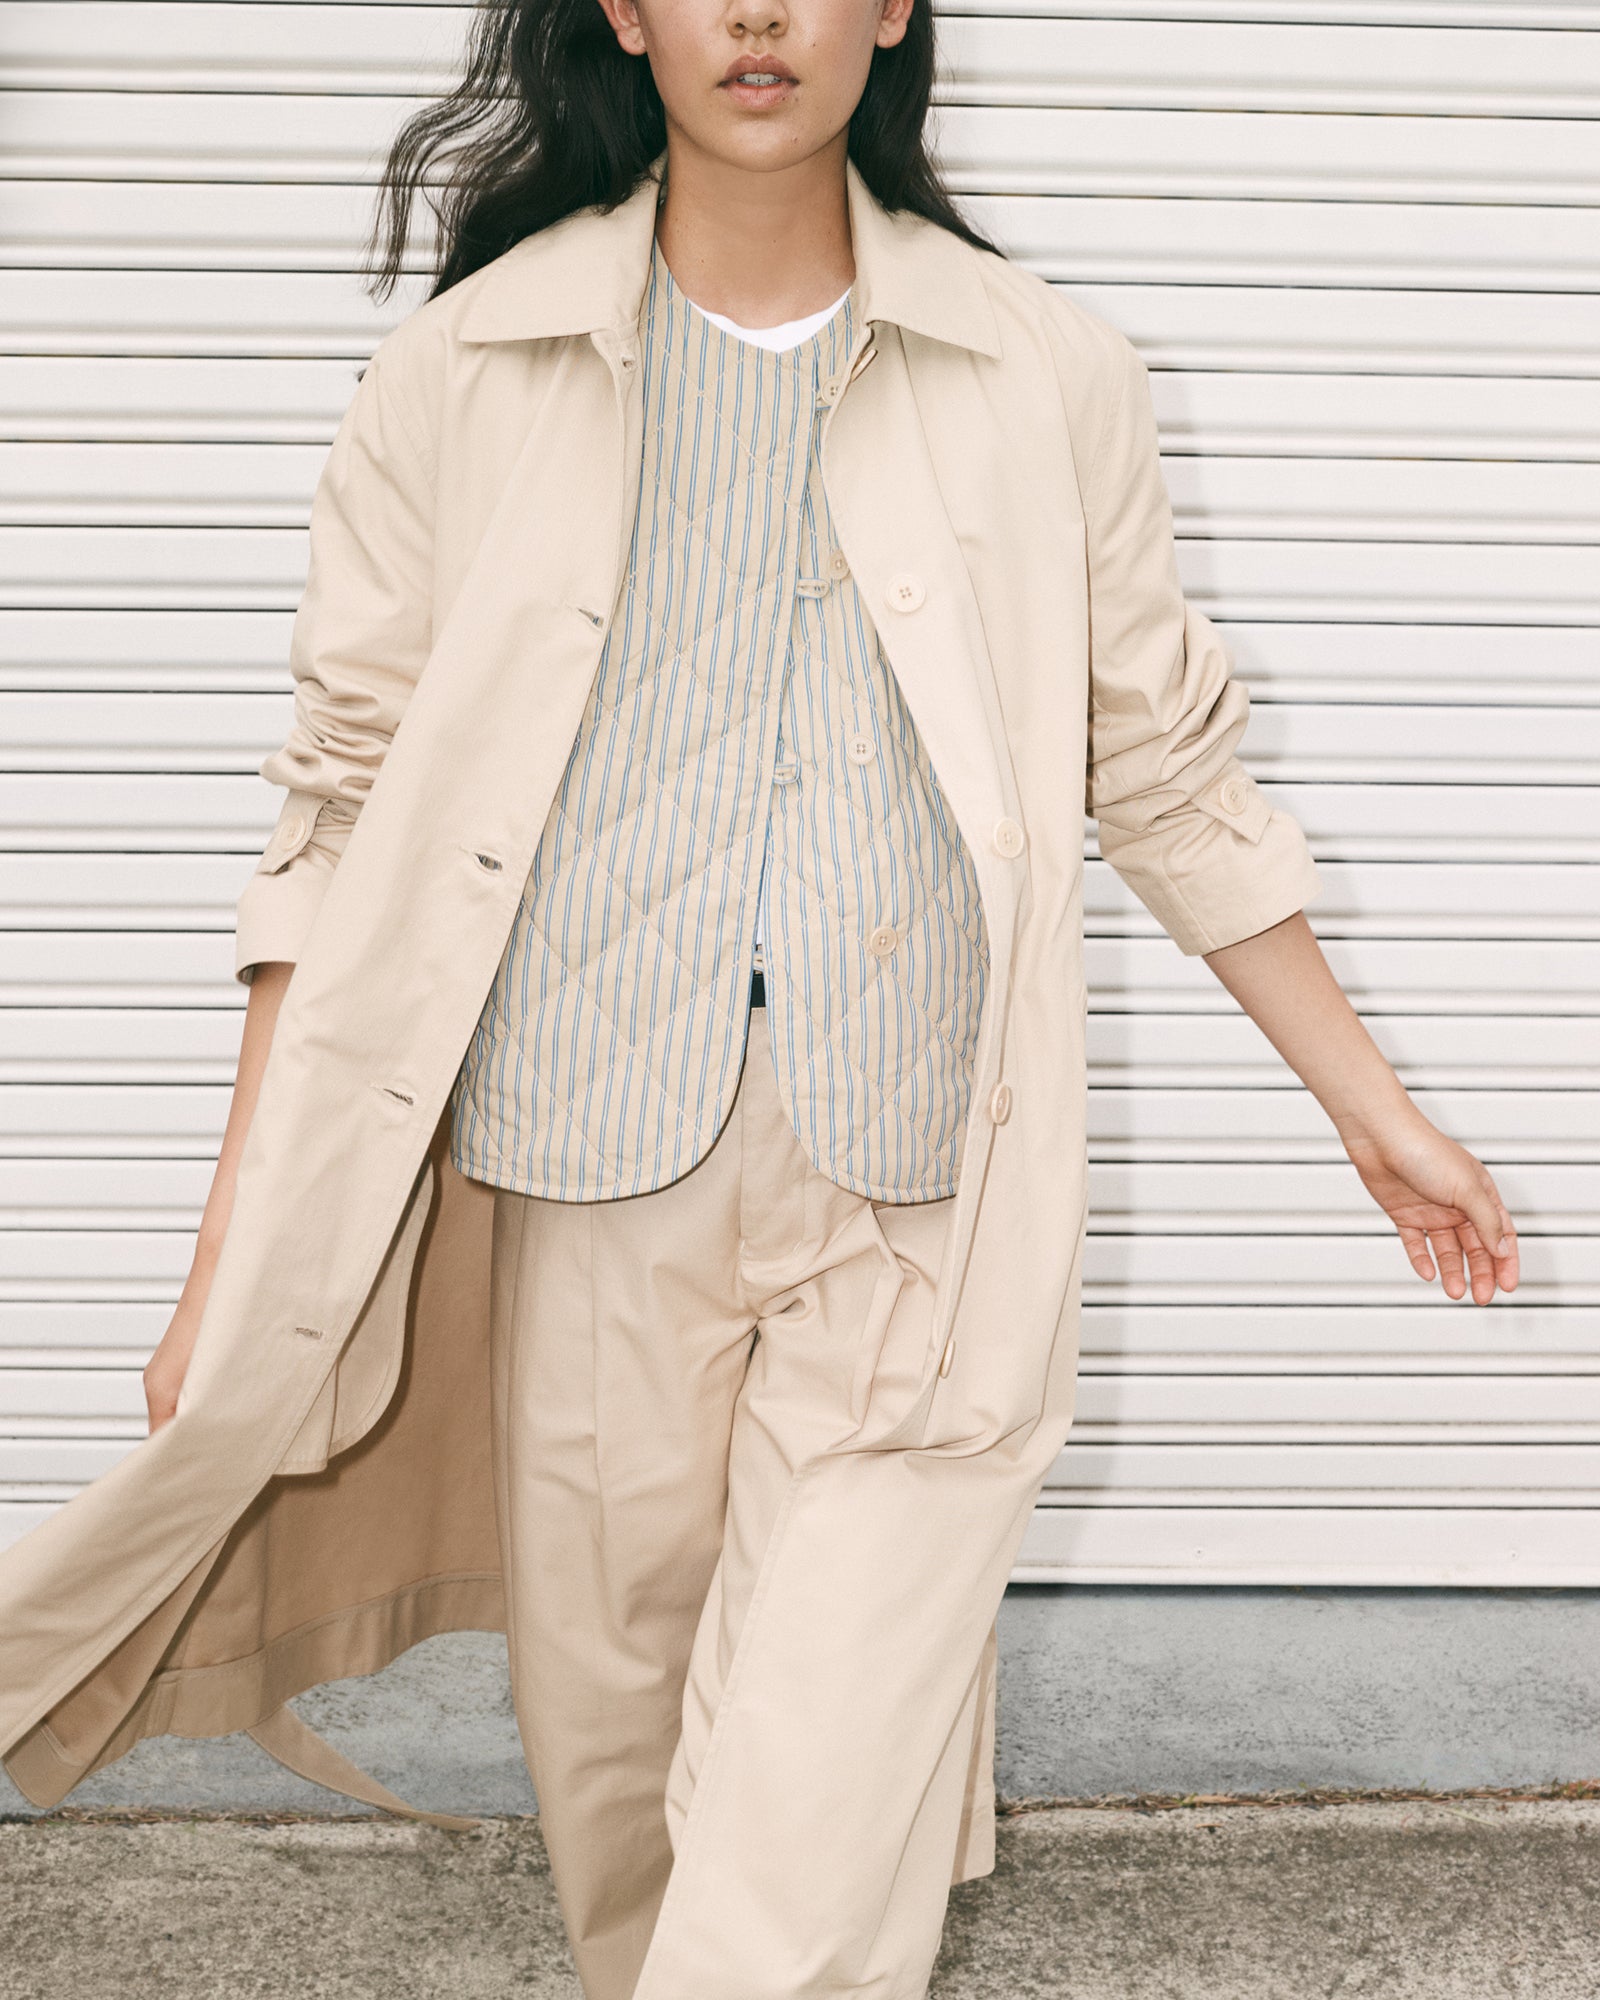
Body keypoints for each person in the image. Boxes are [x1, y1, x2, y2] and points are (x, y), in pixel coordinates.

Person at [1, 0, 1519, 1994]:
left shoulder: (1040, 371)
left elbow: (1160, 771)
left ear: (890, 10)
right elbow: (337, 819)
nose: (757, 15)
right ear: (624, 16)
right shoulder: (465, 369)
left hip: (916, 1189)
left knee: (820, 1782)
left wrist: (1370, 1108)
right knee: (622, 1772)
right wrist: (229, 1256)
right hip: (582, 1170)